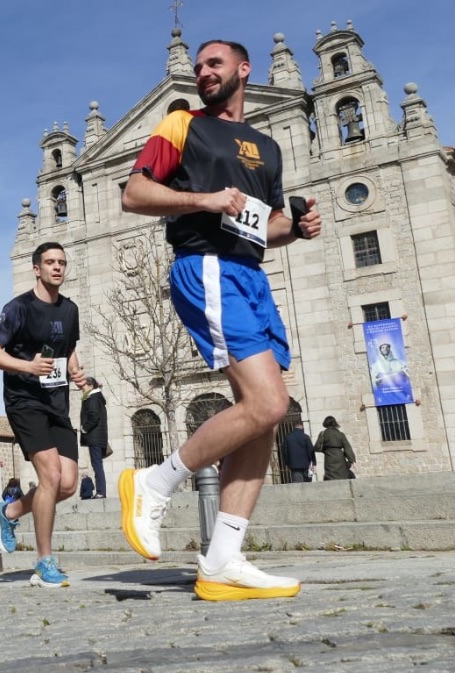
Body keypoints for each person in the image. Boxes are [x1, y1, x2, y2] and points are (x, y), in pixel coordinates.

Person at [119, 39, 322, 602]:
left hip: (251, 276)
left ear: (243, 69)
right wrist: (205, 201)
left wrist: (296, 229)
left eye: (215, 64)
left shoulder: (267, 147)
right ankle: (153, 483)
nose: (204, 72)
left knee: (263, 416)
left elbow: (267, 226)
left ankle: (223, 561)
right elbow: (134, 193)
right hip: (204, 267)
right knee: (269, 404)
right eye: (199, 66)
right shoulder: (181, 126)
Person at [0, 242, 87, 589]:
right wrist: (27, 366)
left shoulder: (70, 309)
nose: (57, 267)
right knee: (51, 476)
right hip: (24, 400)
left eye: (61, 262)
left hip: (58, 403)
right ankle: (44, 561)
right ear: (36, 269)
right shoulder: (18, 308)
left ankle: (9, 511)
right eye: (50, 262)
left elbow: (68, 346)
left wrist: (75, 371)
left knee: (69, 484)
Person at [79, 376, 108, 498]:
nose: (82, 389)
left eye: (83, 386)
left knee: (97, 464)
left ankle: (101, 492)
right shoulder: (96, 398)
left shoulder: (92, 399)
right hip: (97, 436)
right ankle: (101, 491)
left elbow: (93, 416)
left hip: (94, 437)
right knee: (97, 464)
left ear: (91, 386)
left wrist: (84, 428)